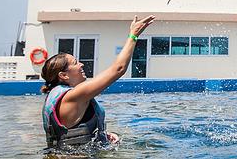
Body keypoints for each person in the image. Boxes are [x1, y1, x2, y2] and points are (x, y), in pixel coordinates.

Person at [41, 15, 156, 150]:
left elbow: (71, 133)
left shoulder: (56, 96)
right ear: (64, 75)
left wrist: (101, 136)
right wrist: (133, 35)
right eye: (75, 63)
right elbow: (118, 69)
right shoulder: (73, 96)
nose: (81, 64)